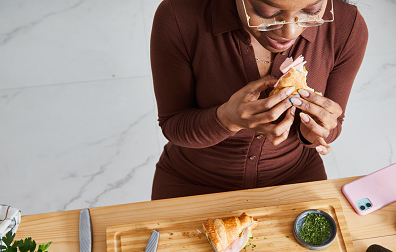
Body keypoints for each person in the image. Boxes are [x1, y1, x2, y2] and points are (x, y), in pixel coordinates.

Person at [150, 0, 368, 200]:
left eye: (310, 11)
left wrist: (315, 132)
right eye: (267, 12)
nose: (289, 31)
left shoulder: (347, 26)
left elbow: (334, 125)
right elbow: (173, 124)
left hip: (295, 177)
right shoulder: (178, 16)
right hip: (192, 180)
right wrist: (225, 119)